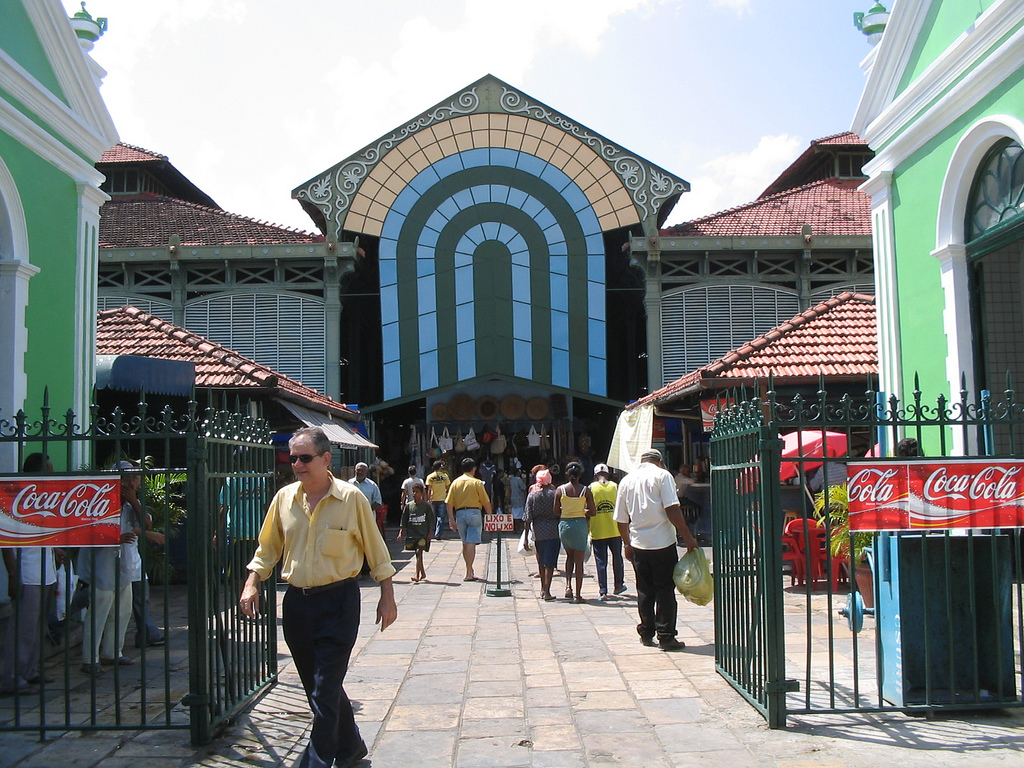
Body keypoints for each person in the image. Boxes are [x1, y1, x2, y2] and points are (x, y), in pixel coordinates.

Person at [240, 427, 396, 768]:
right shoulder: (284, 499)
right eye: (292, 457)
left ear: (326, 459)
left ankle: (315, 761)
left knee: (325, 688)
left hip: (338, 602)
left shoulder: (351, 498)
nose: (297, 464)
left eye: (305, 457)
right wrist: (252, 582)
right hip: (297, 605)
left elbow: (376, 549)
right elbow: (267, 549)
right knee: (317, 685)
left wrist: (388, 595)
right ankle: (351, 747)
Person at [614, 449, 699, 651]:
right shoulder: (663, 476)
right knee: (665, 590)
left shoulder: (627, 480)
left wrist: (626, 544)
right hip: (662, 543)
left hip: (638, 544)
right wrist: (687, 537)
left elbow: (621, 519)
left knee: (644, 590)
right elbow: (672, 508)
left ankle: (646, 631)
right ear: (659, 461)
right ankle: (666, 635)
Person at [1, 453, 65, 695]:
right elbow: (6, 543)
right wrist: (13, 575)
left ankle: (30, 671)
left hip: (46, 572)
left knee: (38, 627)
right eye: (47, 471)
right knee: (23, 628)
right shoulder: (14, 499)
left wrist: (55, 548)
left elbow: (40, 535)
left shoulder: (41, 499)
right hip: (27, 573)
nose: (51, 476)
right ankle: (12, 678)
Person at [78, 460, 142, 673]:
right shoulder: (99, 501)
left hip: (123, 565)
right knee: (99, 611)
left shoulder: (129, 504)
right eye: (127, 478)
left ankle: (112, 652)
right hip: (103, 566)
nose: (131, 483)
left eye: (135, 478)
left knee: (122, 611)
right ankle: (90, 658)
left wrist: (135, 502)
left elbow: (147, 524)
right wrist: (116, 537)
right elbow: (86, 531)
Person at [554, 462, 596, 603]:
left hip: (565, 524)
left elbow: (555, 511)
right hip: (580, 525)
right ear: (580, 475)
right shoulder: (585, 490)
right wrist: (583, 511)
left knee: (569, 557)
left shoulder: (560, 490)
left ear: (566, 474)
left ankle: (568, 587)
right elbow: (593, 512)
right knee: (579, 561)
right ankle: (578, 595)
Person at [445, 457, 492, 582]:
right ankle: (469, 571)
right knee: (471, 543)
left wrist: (451, 519)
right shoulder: (477, 483)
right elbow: (486, 501)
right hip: (474, 513)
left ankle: (469, 570)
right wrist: (491, 516)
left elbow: (449, 503)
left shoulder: (455, 482)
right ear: (473, 469)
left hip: (460, 514)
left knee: (465, 543)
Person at [589, 464, 626, 601]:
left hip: (598, 530)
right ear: (608, 474)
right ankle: (618, 585)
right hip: (615, 529)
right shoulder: (615, 487)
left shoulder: (591, 488)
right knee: (617, 558)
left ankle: (603, 590)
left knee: (601, 561)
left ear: (595, 475)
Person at [523, 469, 559, 601]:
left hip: (538, 532)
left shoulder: (532, 495)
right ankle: (547, 590)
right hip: (553, 531)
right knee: (550, 563)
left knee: (541, 562)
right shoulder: (555, 494)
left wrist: (526, 538)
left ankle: (543, 589)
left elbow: (527, 518)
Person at [398, 482, 434, 583]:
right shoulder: (409, 506)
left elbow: (431, 520)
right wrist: (401, 533)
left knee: (419, 552)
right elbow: (404, 520)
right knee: (418, 554)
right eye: (413, 492)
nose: (414, 494)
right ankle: (422, 573)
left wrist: (430, 533)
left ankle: (416, 574)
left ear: (422, 493)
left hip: (423, 534)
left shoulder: (426, 506)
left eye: (417, 492)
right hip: (412, 534)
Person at [425, 460, 451, 539]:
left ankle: (431, 532)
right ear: (440, 467)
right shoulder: (445, 476)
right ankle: (438, 533)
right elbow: (448, 487)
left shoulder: (430, 477)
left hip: (433, 499)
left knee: (433, 517)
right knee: (441, 517)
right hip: (442, 499)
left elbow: (429, 489)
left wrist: (428, 499)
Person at [508, 468, 528, 533]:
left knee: (514, 514)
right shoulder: (519, 480)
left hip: (513, 498)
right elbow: (524, 488)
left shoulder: (511, 480)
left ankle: (514, 528)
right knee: (519, 515)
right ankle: (519, 528)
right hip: (519, 499)